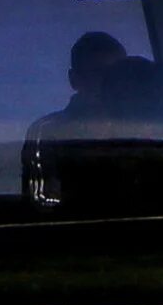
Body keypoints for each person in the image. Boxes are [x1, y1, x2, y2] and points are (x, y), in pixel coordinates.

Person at [23, 32, 130, 208]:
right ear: (75, 79)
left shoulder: (142, 127)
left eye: (116, 74)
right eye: (98, 73)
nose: (107, 83)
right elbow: (42, 202)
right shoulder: (47, 132)